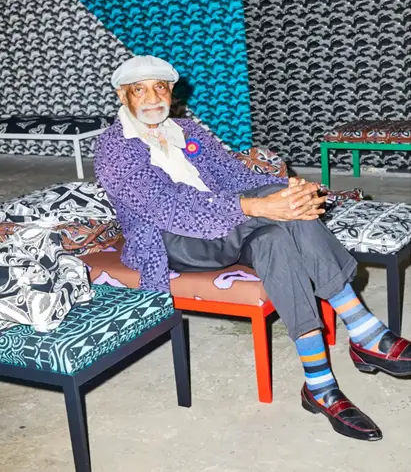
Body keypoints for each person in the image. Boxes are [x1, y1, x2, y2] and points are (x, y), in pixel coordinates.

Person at [95, 55, 411, 441]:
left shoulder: (187, 130)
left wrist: (291, 189)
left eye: (159, 87)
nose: (152, 98)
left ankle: (319, 385)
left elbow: (235, 175)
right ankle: (364, 332)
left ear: (170, 91)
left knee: (277, 238)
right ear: (122, 95)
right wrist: (257, 204)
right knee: (276, 209)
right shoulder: (114, 147)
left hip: (229, 227)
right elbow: (167, 207)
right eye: (139, 90)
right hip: (171, 240)